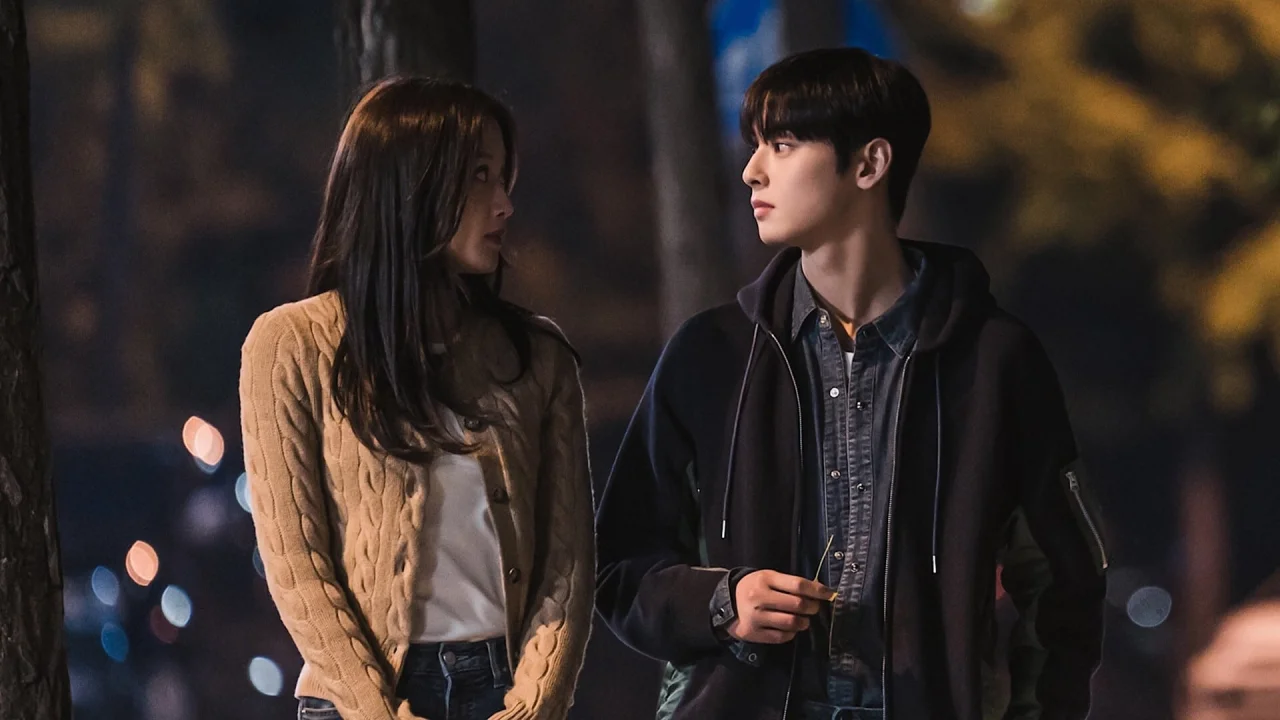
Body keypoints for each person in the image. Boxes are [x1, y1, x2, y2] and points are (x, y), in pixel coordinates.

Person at [595, 47, 1107, 719]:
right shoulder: (711, 355)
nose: (752, 170)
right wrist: (721, 602)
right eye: (755, 145)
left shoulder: (993, 359)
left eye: (782, 145)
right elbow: (619, 567)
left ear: (869, 164)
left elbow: (1064, 584)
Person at [240, 76, 594, 720]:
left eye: (504, 178)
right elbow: (297, 563)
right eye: (480, 176)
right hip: (355, 700)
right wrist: (377, 710)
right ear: (410, 186)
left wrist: (534, 703)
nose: (505, 204)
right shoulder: (291, 345)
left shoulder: (538, 357)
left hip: (506, 692)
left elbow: (566, 565)